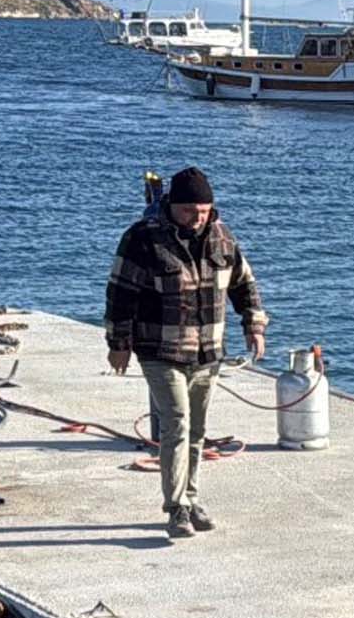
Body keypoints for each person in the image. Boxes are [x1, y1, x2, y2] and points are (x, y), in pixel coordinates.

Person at [105, 167, 266, 540]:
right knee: (176, 423)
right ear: (171, 207)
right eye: (189, 212)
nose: (197, 219)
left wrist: (253, 325)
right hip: (160, 349)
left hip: (208, 352)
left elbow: (245, 285)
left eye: (204, 212)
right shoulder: (143, 239)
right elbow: (120, 293)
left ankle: (191, 499)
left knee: (196, 430)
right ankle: (175, 507)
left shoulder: (222, 238)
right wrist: (118, 344)